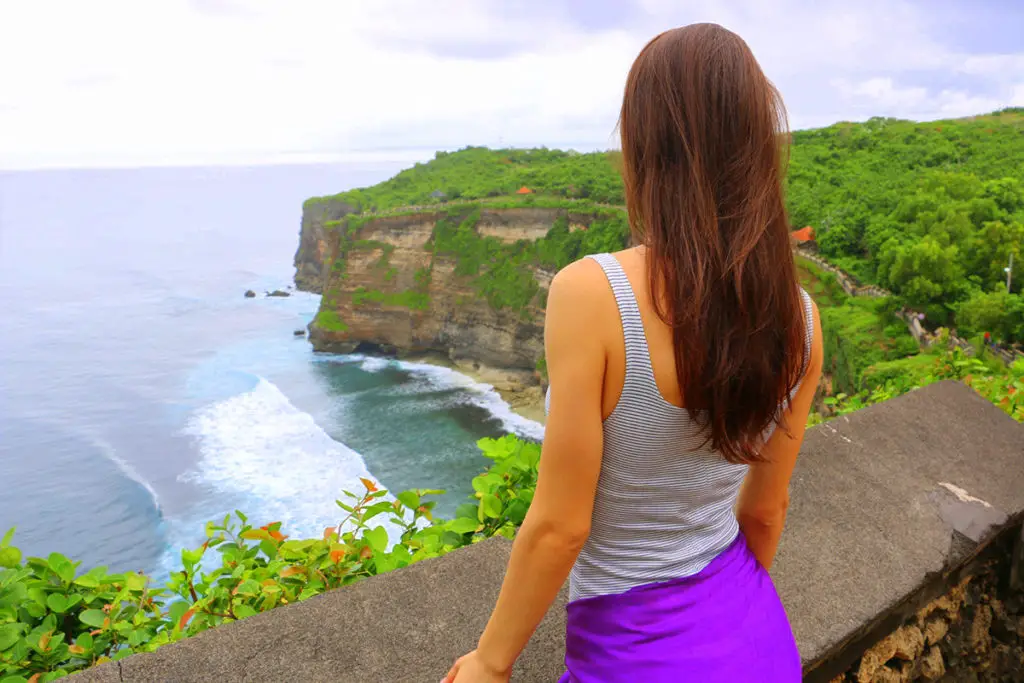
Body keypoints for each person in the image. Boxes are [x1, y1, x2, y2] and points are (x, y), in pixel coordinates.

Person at [444, 23, 823, 683]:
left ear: (646, 145)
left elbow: (561, 524)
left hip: (636, 653)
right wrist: (729, 618)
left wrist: (490, 661)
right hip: (758, 638)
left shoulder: (594, 293)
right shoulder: (802, 318)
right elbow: (765, 510)